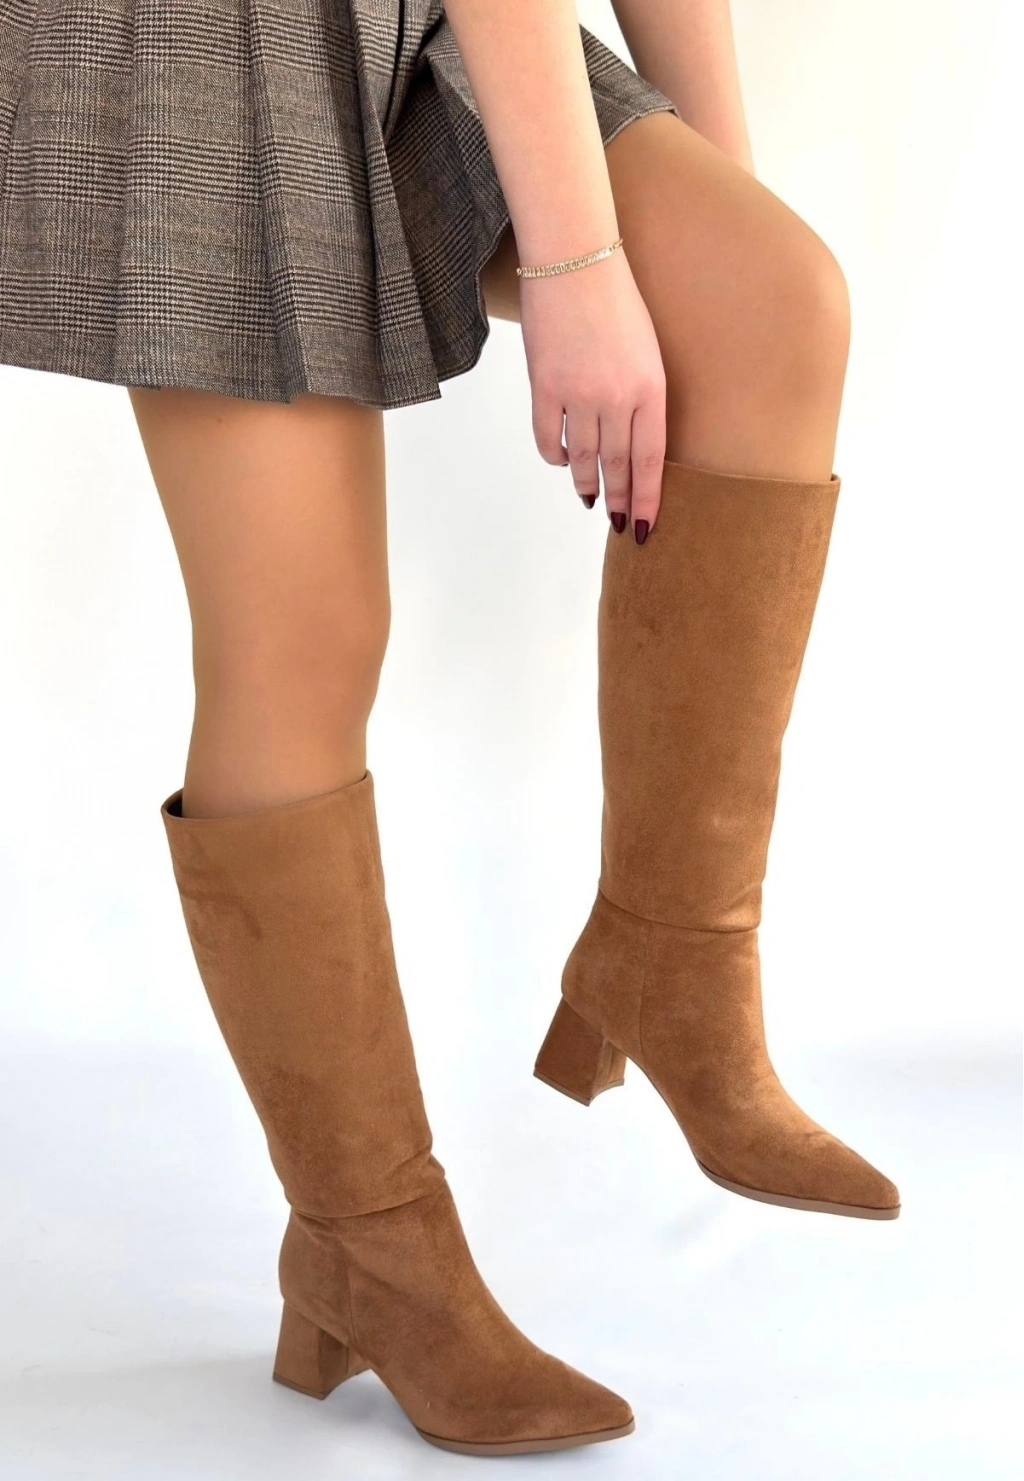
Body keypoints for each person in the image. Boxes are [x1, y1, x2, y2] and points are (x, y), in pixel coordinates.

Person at [0, 0, 898, 1458]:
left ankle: (673, 962)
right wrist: (576, 263)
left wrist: (710, 208)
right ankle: (368, 1246)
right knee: (305, 636)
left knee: (774, 302)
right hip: (187, 38)